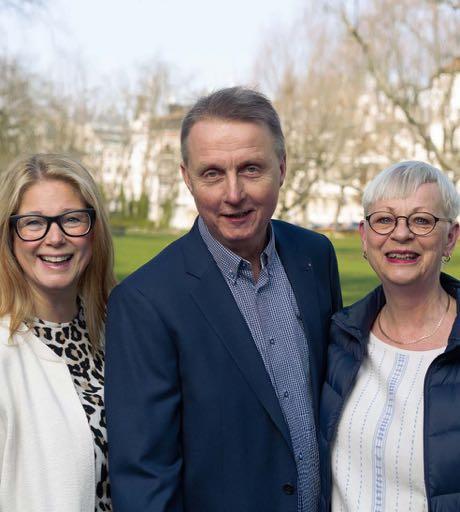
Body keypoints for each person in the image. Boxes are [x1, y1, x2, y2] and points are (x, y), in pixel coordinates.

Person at [105, 86, 342, 512]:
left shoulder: (315, 257)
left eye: (251, 169)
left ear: (282, 168)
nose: (233, 194)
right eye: (212, 173)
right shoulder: (144, 302)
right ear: (186, 178)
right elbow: (145, 481)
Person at [319, 161, 460, 511]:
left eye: (422, 220)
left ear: (451, 238)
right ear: (365, 238)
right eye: (384, 219)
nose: (401, 234)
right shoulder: (340, 337)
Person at [0, 154, 116, 511]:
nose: (55, 238)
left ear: (93, 231)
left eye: (72, 219)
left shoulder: (119, 336)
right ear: (9, 236)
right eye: (34, 223)